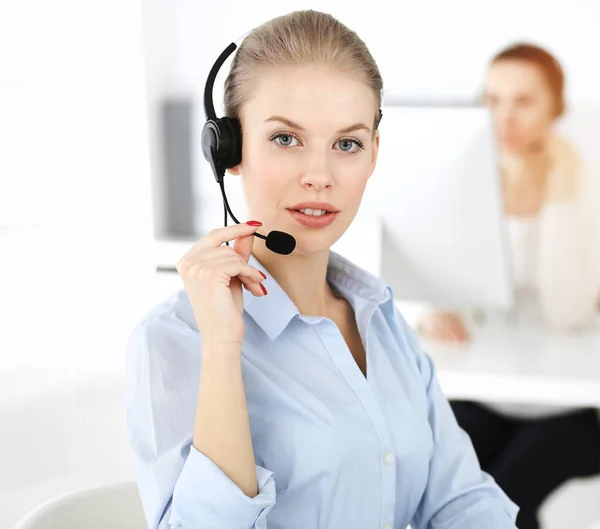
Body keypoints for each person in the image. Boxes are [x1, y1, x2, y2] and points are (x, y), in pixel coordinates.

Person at [125, 10, 519, 529]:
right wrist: (223, 347)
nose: (320, 176)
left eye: (347, 144)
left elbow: (461, 501)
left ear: (373, 154)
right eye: (286, 139)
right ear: (229, 149)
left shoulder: (383, 322)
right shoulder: (175, 339)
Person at [418, 43, 600, 529]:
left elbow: (566, 311)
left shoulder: (585, 182)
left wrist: (559, 189)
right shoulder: (470, 181)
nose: (504, 117)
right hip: (489, 390)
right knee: (454, 498)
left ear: (556, 109)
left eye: (523, 101)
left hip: (576, 405)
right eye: (493, 99)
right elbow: (435, 272)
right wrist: (435, 310)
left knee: (506, 497)